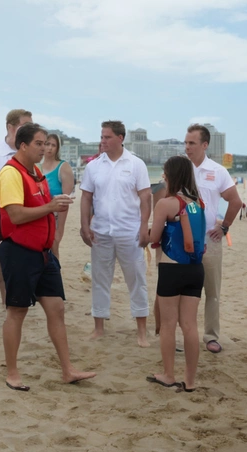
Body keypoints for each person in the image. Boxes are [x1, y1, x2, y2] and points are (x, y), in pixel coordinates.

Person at [0, 123, 96, 391]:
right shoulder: (10, 174)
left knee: (57, 309)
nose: (44, 148)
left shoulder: (36, 171)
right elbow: (15, 215)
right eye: (39, 143)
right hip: (19, 252)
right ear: (23, 145)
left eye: (46, 143)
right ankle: (13, 372)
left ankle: (67, 369)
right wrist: (51, 207)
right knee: (16, 311)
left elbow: (40, 209)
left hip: (43, 253)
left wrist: (54, 215)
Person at [80, 120, 151, 347]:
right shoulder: (93, 166)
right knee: (100, 279)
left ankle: (141, 330)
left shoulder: (136, 164)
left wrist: (143, 226)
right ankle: (98, 327)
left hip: (129, 231)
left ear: (120, 138)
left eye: (107, 137)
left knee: (136, 279)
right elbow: (87, 198)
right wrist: (84, 225)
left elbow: (146, 197)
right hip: (101, 231)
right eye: (101, 137)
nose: (103, 141)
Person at [148, 156, 205, 391]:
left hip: (172, 268)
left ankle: (169, 374)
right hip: (195, 268)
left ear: (170, 175)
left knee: (169, 324)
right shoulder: (197, 202)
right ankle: (190, 381)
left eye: (164, 173)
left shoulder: (167, 203)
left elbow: (153, 239)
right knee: (190, 325)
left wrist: (153, 231)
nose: (163, 177)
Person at [184, 124, 242, 353]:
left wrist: (224, 227)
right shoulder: (181, 168)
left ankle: (210, 336)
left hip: (209, 239)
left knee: (212, 292)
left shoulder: (217, 171)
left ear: (204, 145)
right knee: (183, 290)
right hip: (182, 238)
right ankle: (184, 335)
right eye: (186, 143)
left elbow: (235, 202)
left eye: (192, 143)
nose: (187, 147)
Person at [0, 109, 33, 304]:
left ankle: (24, 301)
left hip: (28, 218)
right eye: (24, 125)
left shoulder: (30, 153)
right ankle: (8, 304)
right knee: (2, 268)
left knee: (27, 264)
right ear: (10, 127)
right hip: (0, 220)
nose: (30, 129)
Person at [41, 133, 74, 260]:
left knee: (53, 251)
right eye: (47, 144)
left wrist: (60, 230)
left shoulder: (63, 167)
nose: (49, 148)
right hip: (38, 215)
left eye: (53, 145)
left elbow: (65, 201)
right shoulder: (36, 166)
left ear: (58, 148)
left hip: (54, 218)